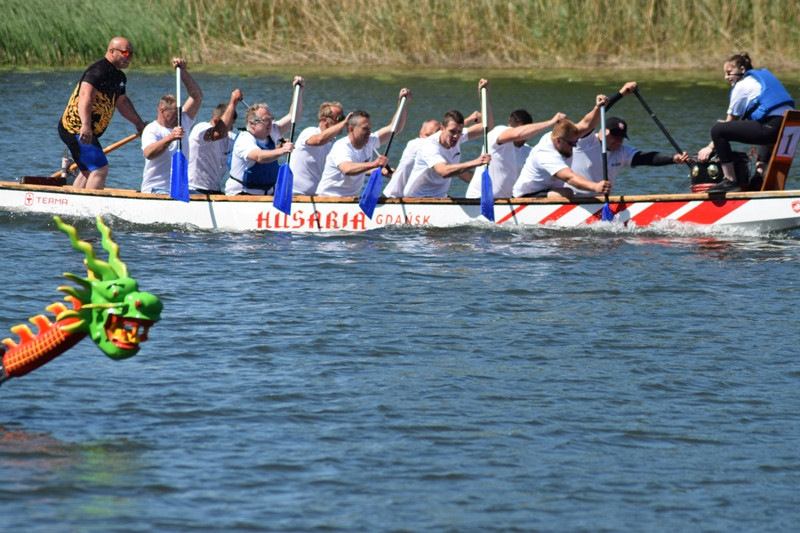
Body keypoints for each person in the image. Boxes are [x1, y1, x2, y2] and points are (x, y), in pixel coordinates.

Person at [57, 36, 146, 190]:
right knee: (100, 169)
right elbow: (85, 96)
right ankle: (90, 210)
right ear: (112, 51)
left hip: (85, 131)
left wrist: (138, 123)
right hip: (76, 128)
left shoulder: (119, 76)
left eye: (132, 54)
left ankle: (74, 205)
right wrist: (85, 126)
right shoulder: (98, 71)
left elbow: (122, 102)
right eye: (126, 53)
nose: (129, 57)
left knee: (87, 171)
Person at [697, 52, 795, 193]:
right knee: (759, 128)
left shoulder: (742, 85)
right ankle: (758, 177)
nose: (726, 77)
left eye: (729, 72)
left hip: (770, 129)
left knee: (717, 130)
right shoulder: (759, 80)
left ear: (742, 70)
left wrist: (709, 148)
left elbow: (730, 121)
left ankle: (730, 181)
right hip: (789, 127)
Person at [403, 80, 492, 198]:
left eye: (459, 132)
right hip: (416, 200)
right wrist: (476, 162)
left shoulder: (458, 136)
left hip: (440, 197)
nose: (456, 136)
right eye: (452, 132)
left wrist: (483, 97)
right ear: (442, 128)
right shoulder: (429, 146)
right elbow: (443, 171)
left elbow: (488, 127)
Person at [315, 88, 412, 197]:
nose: (369, 132)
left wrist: (402, 103)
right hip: (329, 199)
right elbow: (347, 169)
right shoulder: (341, 146)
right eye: (365, 129)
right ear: (351, 129)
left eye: (370, 129)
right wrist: (375, 164)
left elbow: (395, 128)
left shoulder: (369, 141)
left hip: (351, 200)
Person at [512, 94, 612, 199]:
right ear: (558, 141)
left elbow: (586, 124)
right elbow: (569, 178)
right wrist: (595, 186)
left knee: (570, 191)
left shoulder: (565, 135)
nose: (574, 147)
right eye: (571, 144)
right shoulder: (545, 154)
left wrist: (597, 108)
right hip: (524, 197)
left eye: (576, 142)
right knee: (567, 192)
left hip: (547, 190)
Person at [569, 116, 690, 197]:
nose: (618, 141)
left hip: (599, 200)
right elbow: (588, 122)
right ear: (603, 132)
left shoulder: (622, 151)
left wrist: (673, 158)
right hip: (570, 197)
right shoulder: (586, 141)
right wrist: (620, 94)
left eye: (621, 138)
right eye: (615, 136)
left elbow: (646, 158)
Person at [225, 77, 305, 196]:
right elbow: (259, 157)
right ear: (252, 123)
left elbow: (293, 117)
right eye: (265, 120)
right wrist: (282, 150)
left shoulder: (270, 131)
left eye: (270, 119)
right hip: (242, 195)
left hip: (267, 194)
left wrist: (299, 91)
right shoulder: (244, 139)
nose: (270, 124)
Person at [465, 109, 566, 199]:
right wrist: (551, 122)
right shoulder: (497, 133)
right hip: (480, 199)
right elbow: (517, 134)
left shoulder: (529, 152)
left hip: (507, 202)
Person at [140, 58, 204, 194]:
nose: (178, 116)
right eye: (175, 113)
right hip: (156, 188)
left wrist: (183, 72)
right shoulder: (151, 129)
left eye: (180, 112)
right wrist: (170, 138)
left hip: (179, 188)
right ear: (162, 111)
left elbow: (196, 96)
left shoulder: (183, 121)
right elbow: (149, 154)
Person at [187, 89, 244, 195]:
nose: (230, 129)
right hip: (194, 189)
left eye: (232, 125)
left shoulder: (230, 137)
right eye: (229, 125)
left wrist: (277, 148)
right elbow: (219, 133)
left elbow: (250, 148)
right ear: (217, 121)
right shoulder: (200, 130)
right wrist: (233, 103)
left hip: (215, 191)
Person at [289, 101, 350, 195]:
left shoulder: (334, 143)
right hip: (294, 194)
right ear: (324, 120)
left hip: (317, 196)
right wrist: (344, 122)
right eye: (338, 118)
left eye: (343, 119)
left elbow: (345, 166)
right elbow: (319, 140)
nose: (342, 123)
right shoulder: (309, 132)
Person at [383, 119, 442, 198]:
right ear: (420, 134)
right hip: (394, 196)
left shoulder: (440, 148)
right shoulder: (415, 144)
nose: (431, 139)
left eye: (434, 136)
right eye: (428, 135)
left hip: (420, 196)